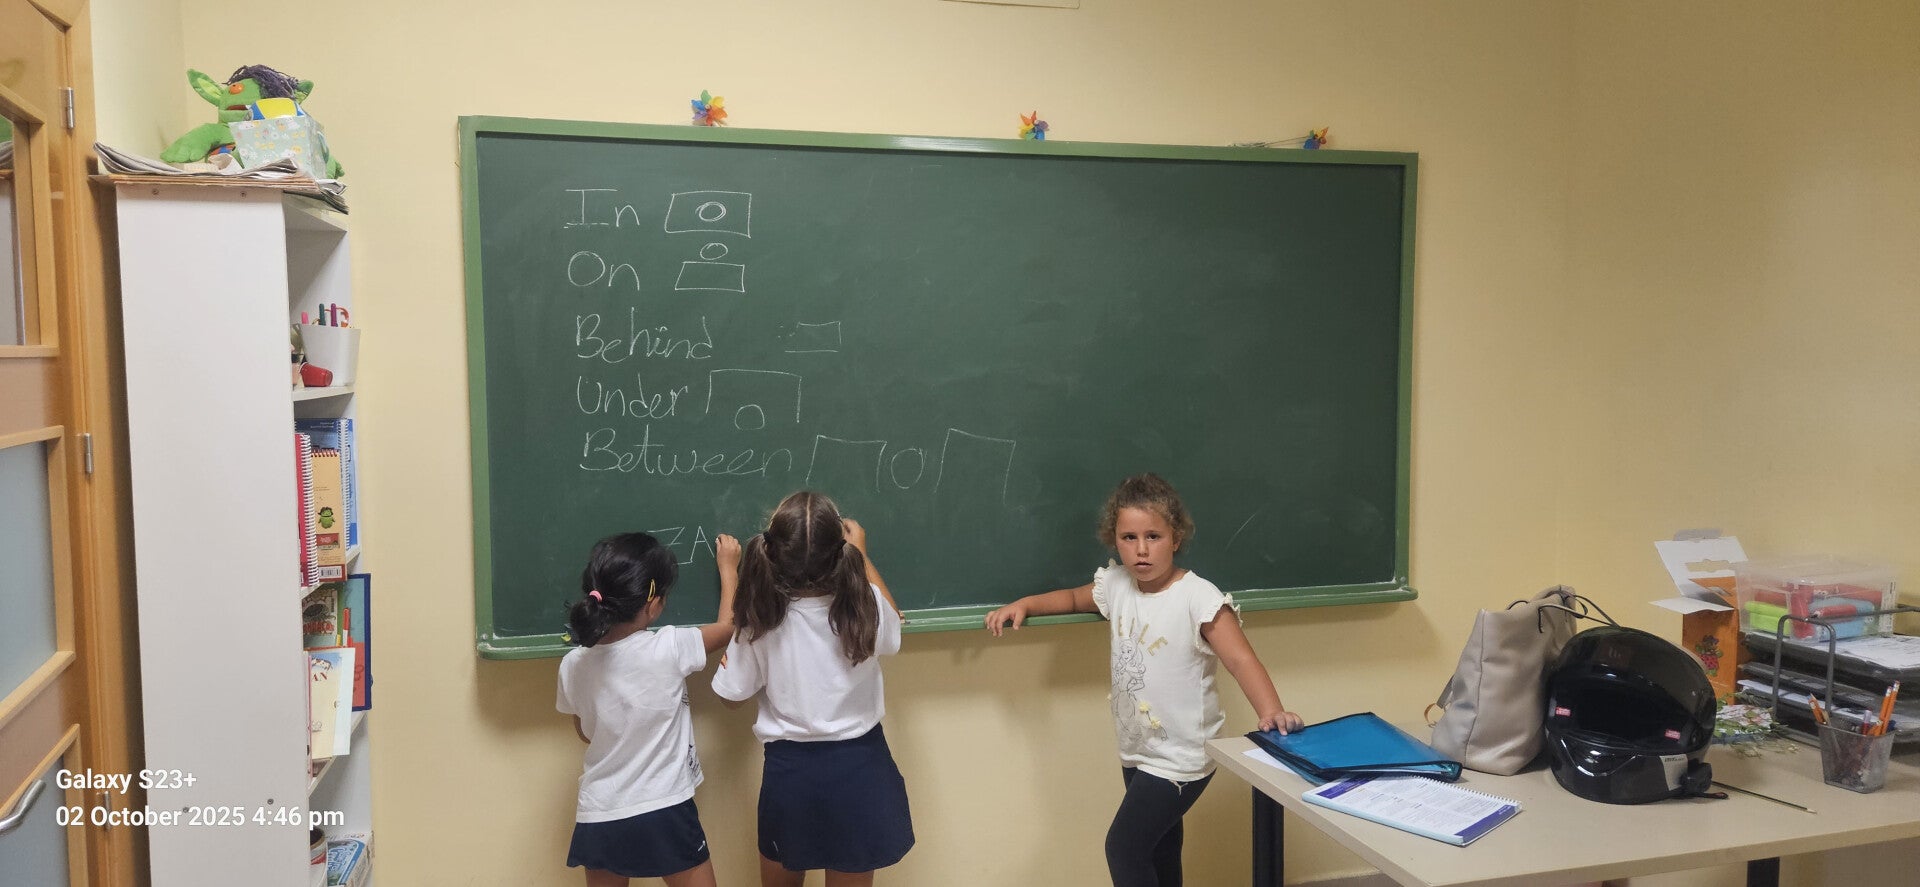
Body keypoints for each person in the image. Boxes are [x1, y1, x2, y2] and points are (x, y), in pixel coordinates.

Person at [983, 473, 1304, 887]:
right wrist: (1026, 604)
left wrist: (1271, 711)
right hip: (1138, 749)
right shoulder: (1117, 584)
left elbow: (1241, 660)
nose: (1141, 549)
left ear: (1175, 538)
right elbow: (1073, 598)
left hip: (1182, 756)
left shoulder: (1198, 597)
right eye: (1128, 537)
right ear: (1114, 540)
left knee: (1123, 848)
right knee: (1160, 850)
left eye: (1153, 536)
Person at [713, 491, 913, 887]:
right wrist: (862, 554)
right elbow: (894, 624)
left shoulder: (760, 619)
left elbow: (729, 698)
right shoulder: (866, 607)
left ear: (771, 551)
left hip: (792, 775)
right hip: (861, 768)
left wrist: (730, 577)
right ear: (841, 553)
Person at [557, 531, 741, 887]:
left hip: (599, 811)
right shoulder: (669, 647)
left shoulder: (573, 665)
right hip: (663, 806)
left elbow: (583, 731)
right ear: (653, 603)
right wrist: (729, 568)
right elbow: (728, 628)